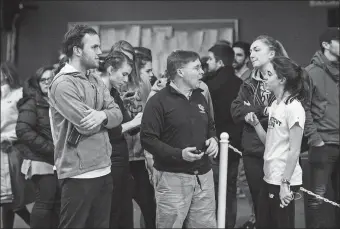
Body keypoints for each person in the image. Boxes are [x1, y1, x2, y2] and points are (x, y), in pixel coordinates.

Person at [48, 24, 123, 228]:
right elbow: (85, 125)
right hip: (78, 174)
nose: (100, 53)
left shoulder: (95, 78)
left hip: (103, 169)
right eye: (95, 47)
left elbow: (118, 115)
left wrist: (101, 115)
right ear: (77, 50)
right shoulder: (63, 84)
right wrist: (105, 116)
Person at [141, 50, 219, 228]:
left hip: (204, 177)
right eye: (197, 67)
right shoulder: (157, 101)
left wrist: (213, 139)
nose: (202, 72)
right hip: (172, 178)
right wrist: (179, 154)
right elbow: (147, 139)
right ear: (180, 72)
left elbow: (211, 125)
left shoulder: (200, 95)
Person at [231, 35, 288, 228]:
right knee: (259, 204)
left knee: (281, 206)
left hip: (280, 151)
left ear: (271, 53)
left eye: (256, 50)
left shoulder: (287, 79)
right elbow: (236, 110)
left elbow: (286, 111)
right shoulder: (248, 82)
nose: (251, 55)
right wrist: (263, 110)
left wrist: (253, 110)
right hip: (253, 151)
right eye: (250, 51)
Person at [245, 56, 306, 228]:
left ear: (282, 79)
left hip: (283, 179)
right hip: (269, 176)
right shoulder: (275, 106)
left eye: (269, 74)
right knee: (264, 223)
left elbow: (294, 150)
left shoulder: (294, 108)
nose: (265, 78)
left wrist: (285, 184)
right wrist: (256, 124)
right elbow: (270, 142)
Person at [99, 50, 141, 229]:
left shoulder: (114, 93)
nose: (126, 79)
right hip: (108, 158)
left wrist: (133, 118)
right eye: (123, 74)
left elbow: (125, 126)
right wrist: (133, 123)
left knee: (123, 208)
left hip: (120, 157)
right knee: (113, 209)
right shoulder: (97, 93)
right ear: (110, 69)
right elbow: (102, 132)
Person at [16, 66, 60, 228]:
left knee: (57, 202)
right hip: (40, 159)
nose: (48, 82)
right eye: (43, 79)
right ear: (37, 82)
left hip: (57, 159)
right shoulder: (32, 102)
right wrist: (49, 147)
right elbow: (22, 130)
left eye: (51, 78)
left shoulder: (57, 101)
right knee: (45, 201)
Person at [304, 27, 339, 228]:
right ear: (326, 45)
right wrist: (315, 138)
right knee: (318, 199)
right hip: (323, 144)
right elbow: (303, 109)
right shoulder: (310, 73)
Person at [205, 44, 243, 228]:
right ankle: (228, 225)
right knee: (229, 190)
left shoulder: (207, 85)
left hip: (212, 145)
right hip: (234, 146)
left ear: (219, 62)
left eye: (210, 59)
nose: (207, 63)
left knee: (210, 192)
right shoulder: (240, 84)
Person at [1, 62, 32, 229]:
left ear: (6, 74)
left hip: (12, 150)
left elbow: (24, 123)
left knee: (13, 198)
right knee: (7, 199)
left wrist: (7, 137)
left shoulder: (19, 94)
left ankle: (37, 224)